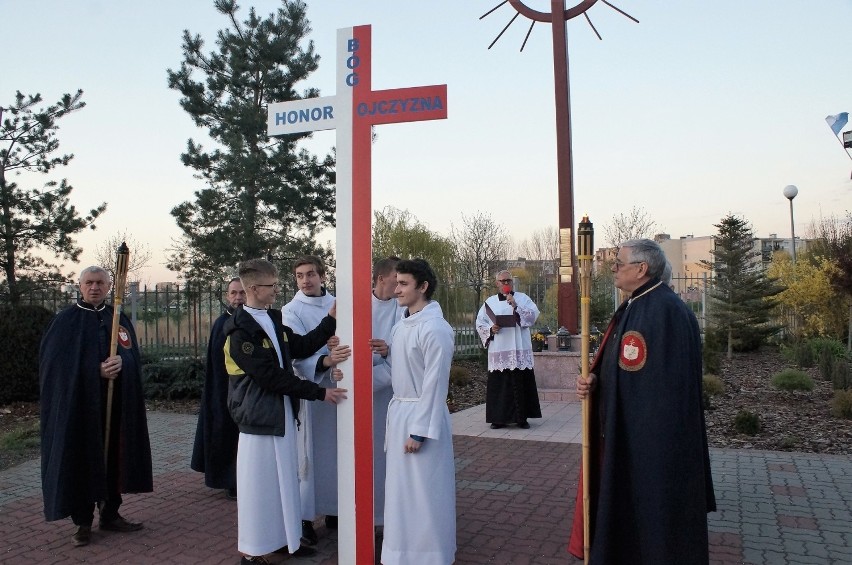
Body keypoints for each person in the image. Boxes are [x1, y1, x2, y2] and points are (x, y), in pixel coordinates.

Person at [568, 239, 716, 564]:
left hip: (655, 449)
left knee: (659, 529)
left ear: (641, 269)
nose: (614, 268)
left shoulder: (666, 312)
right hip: (634, 440)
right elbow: (625, 369)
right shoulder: (635, 305)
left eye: (619, 262)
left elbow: (666, 389)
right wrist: (596, 382)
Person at [225, 258, 349, 564]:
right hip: (259, 419)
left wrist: (330, 319)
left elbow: (302, 346)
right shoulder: (240, 333)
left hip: (279, 414)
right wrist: (319, 392)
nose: (278, 290)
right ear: (254, 288)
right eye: (273, 286)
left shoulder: (273, 318)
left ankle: (283, 539)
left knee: (284, 482)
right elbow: (270, 377)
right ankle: (252, 552)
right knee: (260, 487)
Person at [40, 266, 153, 548]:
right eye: (88, 283)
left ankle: (110, 513)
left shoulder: (117, 318)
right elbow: (55, 368)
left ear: (108, 286)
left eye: (100, 283)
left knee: (115, 455)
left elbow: (132, 357)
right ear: (79, 286)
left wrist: (122, 363)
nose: (94, 288)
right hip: (81, 409)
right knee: (82, 459)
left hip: (115, 407)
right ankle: (82, 522)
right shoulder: (66, 321)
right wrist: (95, 371)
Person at [382, 258, 456, 565]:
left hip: (421, 420)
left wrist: (419, 430)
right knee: (401, 494)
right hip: (400, 413)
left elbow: (434, 383)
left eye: (403, 283)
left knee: (425, 493)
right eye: (396, 282)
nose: (396, 289)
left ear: (423, 287)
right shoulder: (401, 325)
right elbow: (397, 371)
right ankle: (401, 553)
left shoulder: (436, 328)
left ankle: (430, 555)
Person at [281, 255, 346, 543]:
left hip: (340, 391)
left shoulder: (339, 304)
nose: (305, 280)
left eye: (310, 274)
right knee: (308, 455)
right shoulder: (290, 311)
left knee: (338, 453)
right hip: (311, 392)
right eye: (299, 275)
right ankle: (305, 518)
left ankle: (336, 508)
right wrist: (326, 360)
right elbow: (296, 354)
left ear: (322, 276)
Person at [190, 277, 246, 499]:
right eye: (233, 293)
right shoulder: (221, 323)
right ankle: (229, 480)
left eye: (241, 293)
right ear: (227, 295)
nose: (238, 297)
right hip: (224, 390)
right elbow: (216, 363)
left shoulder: (258, 319)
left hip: (250, 391)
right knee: (226, 433)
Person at [475, 270, 542, 429]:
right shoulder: (489, 302)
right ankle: (498, 419)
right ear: (497, 283)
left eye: (508, 281)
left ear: (512, 282)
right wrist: (492, 328)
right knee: (500, 386)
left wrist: (516, 306)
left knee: (520, 383)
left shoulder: (522, 298)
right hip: (500, 349)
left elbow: (532, 316)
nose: (506, 284)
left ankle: (521, 418)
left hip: (519, 349)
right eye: (502, 281)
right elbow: (480, 324)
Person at [367, 256, 403, 533]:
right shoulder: (360, 306)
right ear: (381, 279)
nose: (400, 287)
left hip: (393, 394)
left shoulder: (403, 310)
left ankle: (387, 516)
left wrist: (388, 351)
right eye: (396, 280)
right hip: (363, 397)